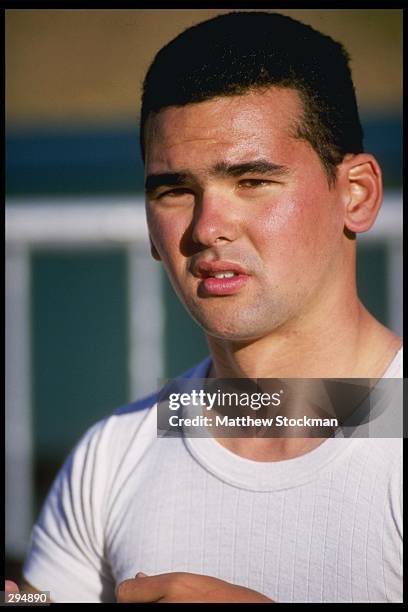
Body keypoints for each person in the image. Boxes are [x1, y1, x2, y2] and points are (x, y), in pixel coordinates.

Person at [14, 11, 402, 603]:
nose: (207, 228)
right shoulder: (113, 456)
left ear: (356, 195)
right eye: (175, 191)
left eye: (252, 181)